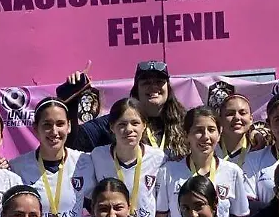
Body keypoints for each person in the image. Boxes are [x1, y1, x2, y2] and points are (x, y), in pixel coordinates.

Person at [58, 60, 189, 159]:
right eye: (146, 83)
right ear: (136, 89)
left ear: (168, 87)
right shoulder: (117, 122)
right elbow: (74, 142)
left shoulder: (187, 122)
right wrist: (69, 104)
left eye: (159, 82)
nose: (153, 87)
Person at [9, 98, 95, 217]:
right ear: (36, 129)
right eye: (47, 125)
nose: (54, 131)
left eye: (60, 124)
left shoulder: (86, 161)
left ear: (69, 126)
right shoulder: (17, 167)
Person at [154, 106, 250, 217]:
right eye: (198, 130)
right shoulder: (168, 172)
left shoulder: (233, 172)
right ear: (186, 135)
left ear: (219, 133)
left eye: (211, 130)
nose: (206, 136)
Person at [89, 97, 168, 217]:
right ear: (112, 127)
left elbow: (162, 206)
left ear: (144, 125)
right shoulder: (97, 156)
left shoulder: (158, 158)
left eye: (135, 123)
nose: (129, 129)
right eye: (122, 124)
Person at [217, 94, 255, 169]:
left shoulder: (258, 150)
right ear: (220, 119)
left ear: (251, 119)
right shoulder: (210, 151)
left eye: (242, 113)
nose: (237, 117)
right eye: (230, 114)